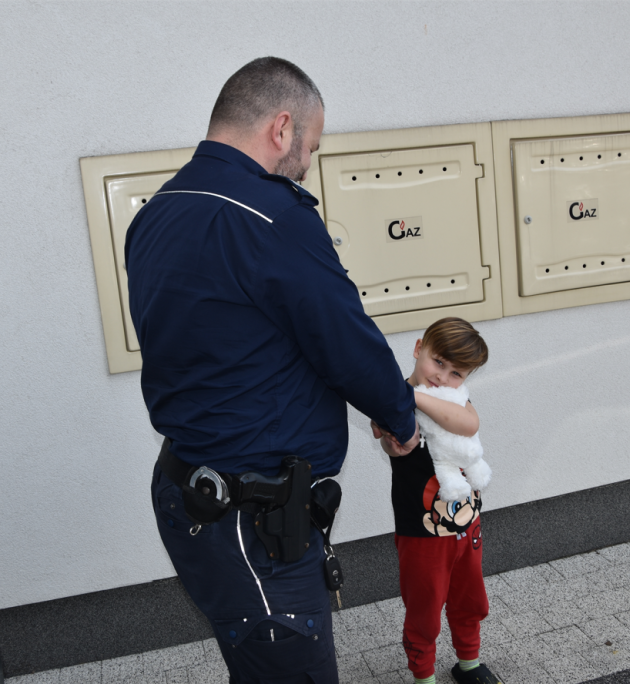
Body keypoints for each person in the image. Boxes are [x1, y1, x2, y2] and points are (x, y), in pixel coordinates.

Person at [124, 57, 419, 684]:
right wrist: (400, 417)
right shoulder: (272, 216)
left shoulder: (158, 211)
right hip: (249, 519)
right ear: (282, 128)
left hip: (189, 490)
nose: (308, 163)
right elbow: (345, 340)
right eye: (311, 146)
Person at [376, 317, 502, 684]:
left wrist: (413, 396)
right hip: (422, 532)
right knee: (425, 611)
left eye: (456, 373)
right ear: (419, 349)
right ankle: (424, 676)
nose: (442, 377)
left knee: (470, 600)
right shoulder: (395, 403)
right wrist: (393, 439)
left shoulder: (454, 399)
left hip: (467, 524)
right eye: (438, 362)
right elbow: (393, 445)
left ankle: (469, 664)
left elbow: (468, 424)